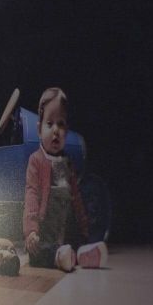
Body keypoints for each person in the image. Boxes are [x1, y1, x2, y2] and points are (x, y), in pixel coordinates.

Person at [23, 87, 108, 272]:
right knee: (36, 253)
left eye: (61, 124)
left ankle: (83, 254)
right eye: (49, 124)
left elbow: (76, 199)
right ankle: (59, 256)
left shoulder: (68, 163)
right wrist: (31, 231)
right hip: (45, 233)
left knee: (76, 241)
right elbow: (31, 195)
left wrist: (85, 229)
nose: (56, 131)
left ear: (67, 130)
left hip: (66, 231)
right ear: (39, 129)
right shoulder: (36, 161)